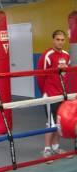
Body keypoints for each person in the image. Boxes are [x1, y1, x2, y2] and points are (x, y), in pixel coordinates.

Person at [37, 30, 72, 163]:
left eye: (62, 40)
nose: (60, 42)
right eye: (58, 39)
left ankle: (56, 147)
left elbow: (65, 75)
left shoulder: (66, 55)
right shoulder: (47, 55)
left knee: (59, 122)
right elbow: (40, 76)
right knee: (51, 123)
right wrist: (45, 93)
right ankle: (46, 149)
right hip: (50, 94)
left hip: (61, 94)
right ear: (53, 40)